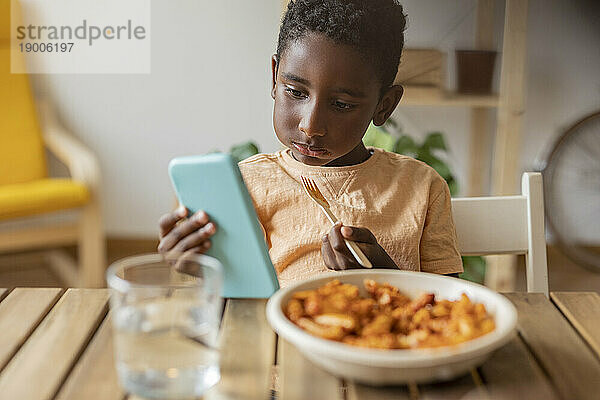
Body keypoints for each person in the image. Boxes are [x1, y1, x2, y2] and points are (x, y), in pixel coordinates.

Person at [158, 0, 463, 287]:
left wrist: (385, 278)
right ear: (275, 77)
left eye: (341, 104)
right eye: (295, 91)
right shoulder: (245, 186)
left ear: (384, 106)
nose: (310, 125)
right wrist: (201, 268)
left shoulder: (423, 189)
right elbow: (239, 303)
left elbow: (450, 310)